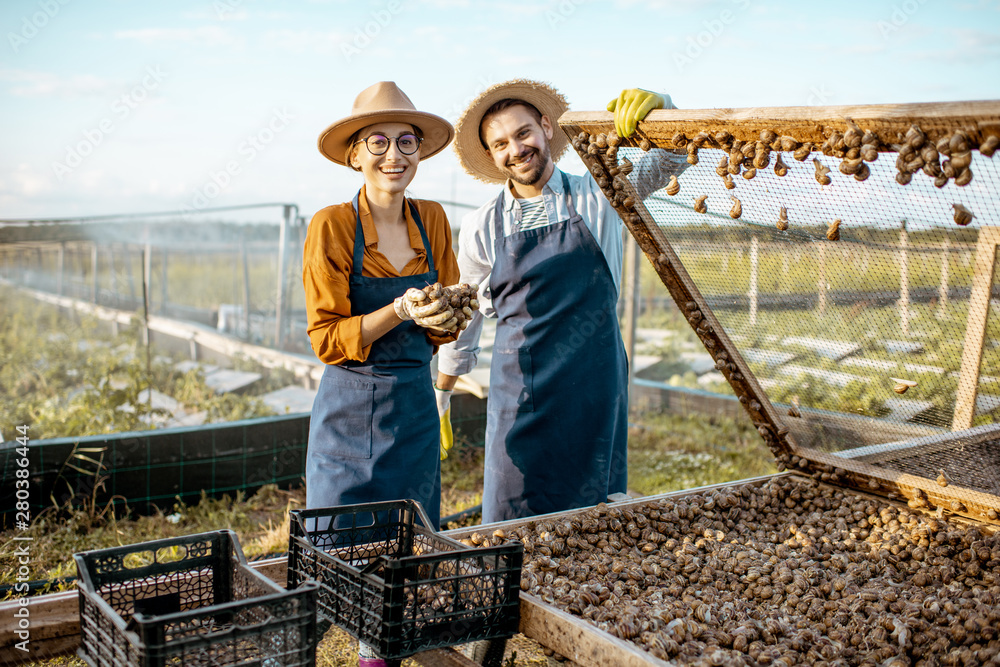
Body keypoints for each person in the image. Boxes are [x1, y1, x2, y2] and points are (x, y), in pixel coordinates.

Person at [435, 81, 686, 523]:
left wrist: (663, 107)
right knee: (511, 517)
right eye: (500, 144)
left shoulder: (600, 193)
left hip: (594, 382)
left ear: (547, 127)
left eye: (523, 133)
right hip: (519, 391)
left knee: (594, 517)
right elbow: (467, 309)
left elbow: (671, 159)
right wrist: (444, 389)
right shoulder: (480, 226)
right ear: (493, 156)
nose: (516, 149)